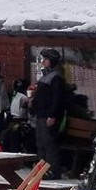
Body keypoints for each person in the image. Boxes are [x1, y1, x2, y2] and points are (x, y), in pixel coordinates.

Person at [30, 48, 66, 180]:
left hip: (48, 116)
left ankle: (52, 171)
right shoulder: (45, 76)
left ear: (52, 60)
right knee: (41, 144)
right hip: (40, 114)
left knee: (49, 144)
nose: (43, 61)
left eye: (45, 59)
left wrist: (53, 115)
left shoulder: (56, 77)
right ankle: (42, 170)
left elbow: (57, 99)